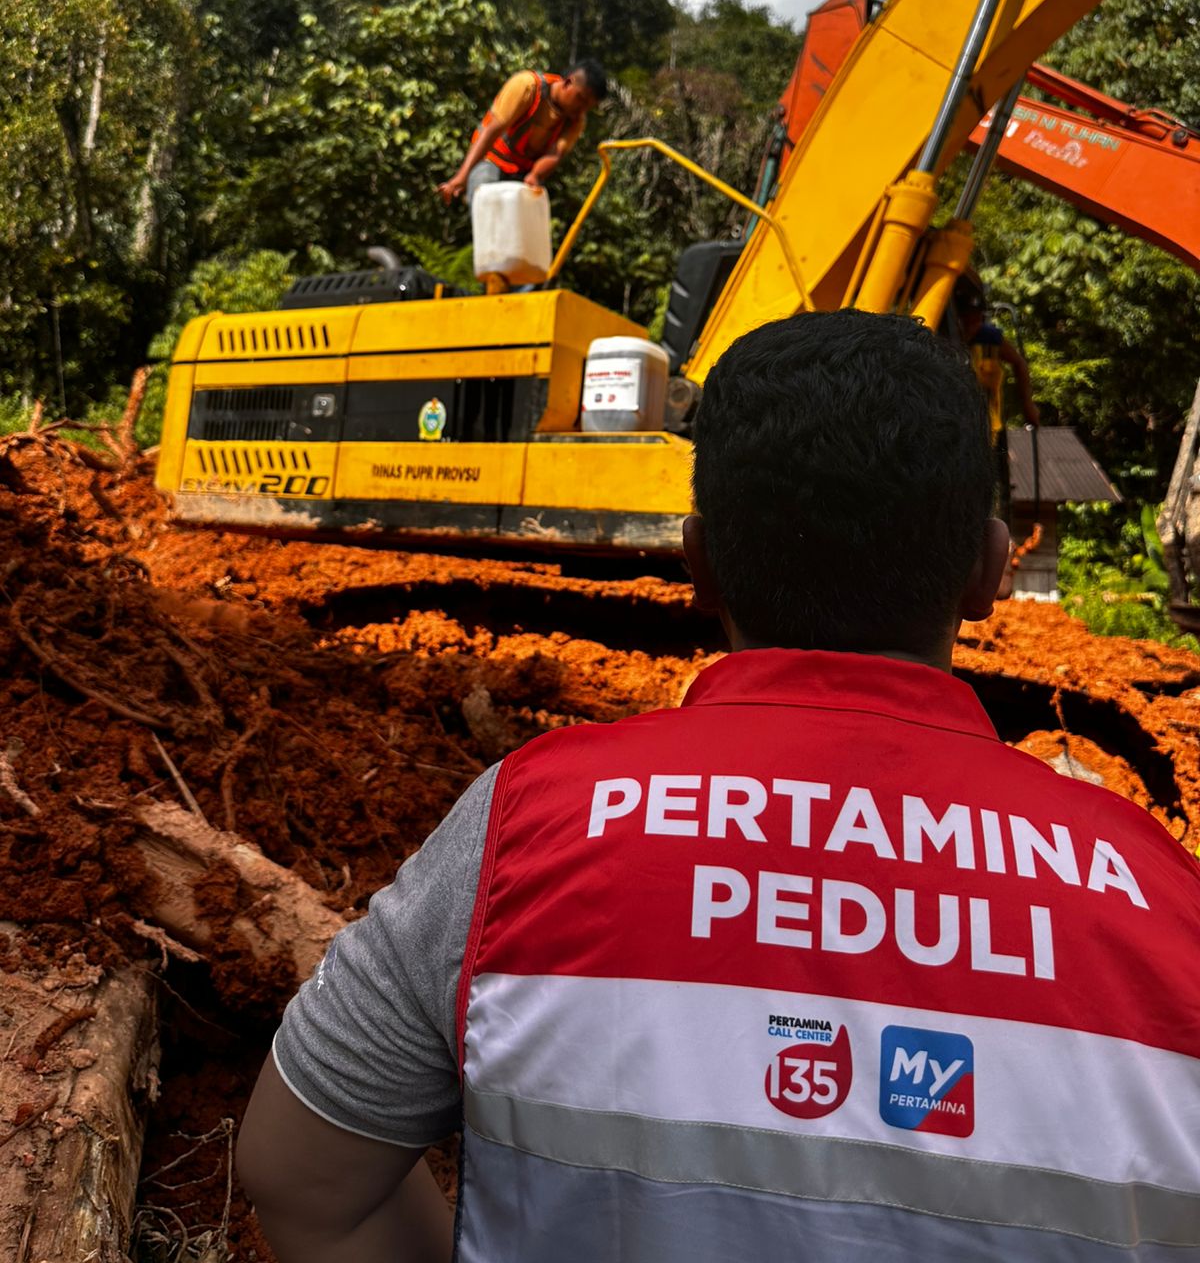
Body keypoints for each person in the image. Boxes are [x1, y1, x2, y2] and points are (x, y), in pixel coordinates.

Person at [238, 310, 1200, 1262]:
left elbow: (302, 1177)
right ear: (990, 572)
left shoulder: (525, 828)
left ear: (696, 561)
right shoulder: (1163, 900)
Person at [437, 59, 607, 207]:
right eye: (581, 99)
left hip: (521, 173)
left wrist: (535, 176)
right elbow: (492, 130)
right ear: (568, 83)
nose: (581, 109)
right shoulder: (528, 86)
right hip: (491, 159)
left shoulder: (576, 120)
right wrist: (461, 178)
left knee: (528, 214)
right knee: (486, 198)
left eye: (588, 106)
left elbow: (555, 154)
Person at [953, 271, 1040, 432]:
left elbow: (1019, 363)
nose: (973, 326)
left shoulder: (989, 338)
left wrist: (1028, 405)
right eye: (967, 321)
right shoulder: (939, 341)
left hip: (990, 429)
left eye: (977, 319)